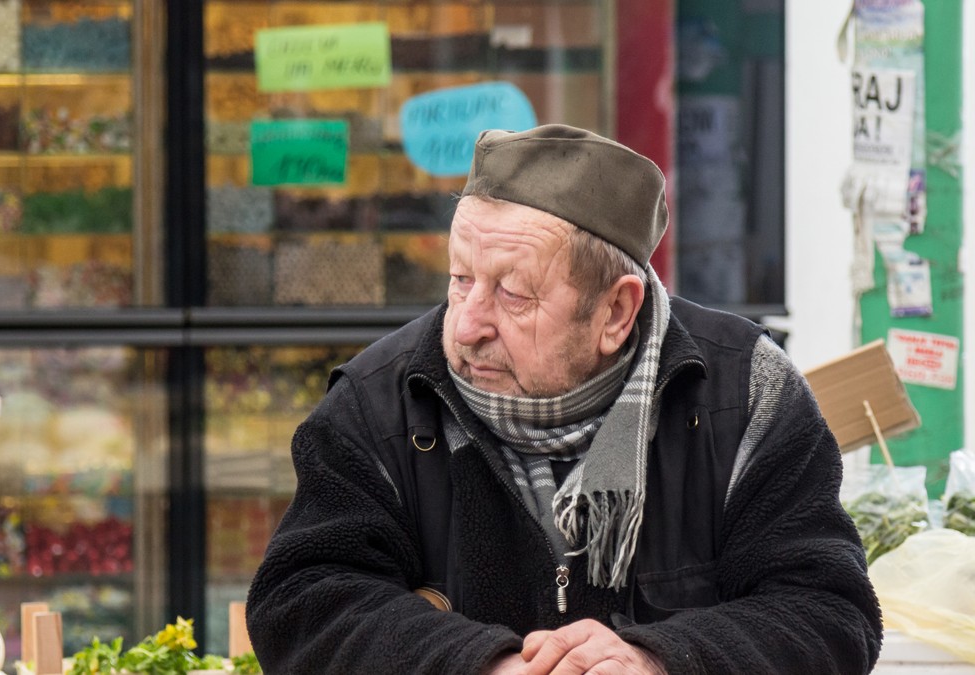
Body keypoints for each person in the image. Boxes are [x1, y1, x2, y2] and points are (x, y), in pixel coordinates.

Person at [246, 125, 881, 674]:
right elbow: (301, 604)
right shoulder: (375, 403)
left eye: (514, 295)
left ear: (616, 312)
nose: (467, 325)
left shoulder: (749, 393)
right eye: (460, 279)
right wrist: (481, 664)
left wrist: (658, 660)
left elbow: (828, 611)